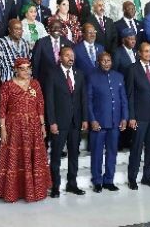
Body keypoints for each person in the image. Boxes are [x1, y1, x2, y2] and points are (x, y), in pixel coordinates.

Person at [0, 57, 50, 202]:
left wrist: (43, 125)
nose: (26, 71)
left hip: (33, 125)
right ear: (15, 70)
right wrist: (3, 129)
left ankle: (33, 191)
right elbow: (2, 109)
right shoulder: (7, 86)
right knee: (14, 158)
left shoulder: (35, 84)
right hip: (14, 127)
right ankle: (12, 192)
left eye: (28, 68)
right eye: (22, 69)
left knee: (33, 157)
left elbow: (40, 105)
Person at [44, 47, 88, 197]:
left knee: (74, 154)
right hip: (59, 122)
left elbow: (83, 98)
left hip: (76, 122)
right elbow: (49, 100)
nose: (71, 58)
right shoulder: (52, 74)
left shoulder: (79, 74)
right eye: (67, 55)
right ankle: (55, 187)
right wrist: (52, 122)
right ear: (60, 57)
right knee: (56, 155)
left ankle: (72, 184)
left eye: (72, 55)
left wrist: (84, 118)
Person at [86, 52, 127, 192]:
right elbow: (88, 101)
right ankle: (97, 181)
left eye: (108, 60)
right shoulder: (92, 77)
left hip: (115, 122)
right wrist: (92, 120)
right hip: (98, 123)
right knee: (97, 154)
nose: (106, 63)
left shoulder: (118, 76)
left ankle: (109, 180)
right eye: (103, 61)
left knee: (112, 153)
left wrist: (124, 118)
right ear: (98, 62)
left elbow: (123, 99)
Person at [125, 42, 150, 190]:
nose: (148, 54)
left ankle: (147, 176)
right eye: (145, 51)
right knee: (137, 148)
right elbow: (130, 95)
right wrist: (131, 116)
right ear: (139, 53)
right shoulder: (132, 69)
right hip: (139, 116)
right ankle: (132, 178)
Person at [0, 19, 31, 85]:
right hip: (6, 85)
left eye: (20, 29)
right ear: (9, 30)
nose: (19, 31)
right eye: (16, 29)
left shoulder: (25, 44)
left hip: (23, 85)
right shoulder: (0, 44)